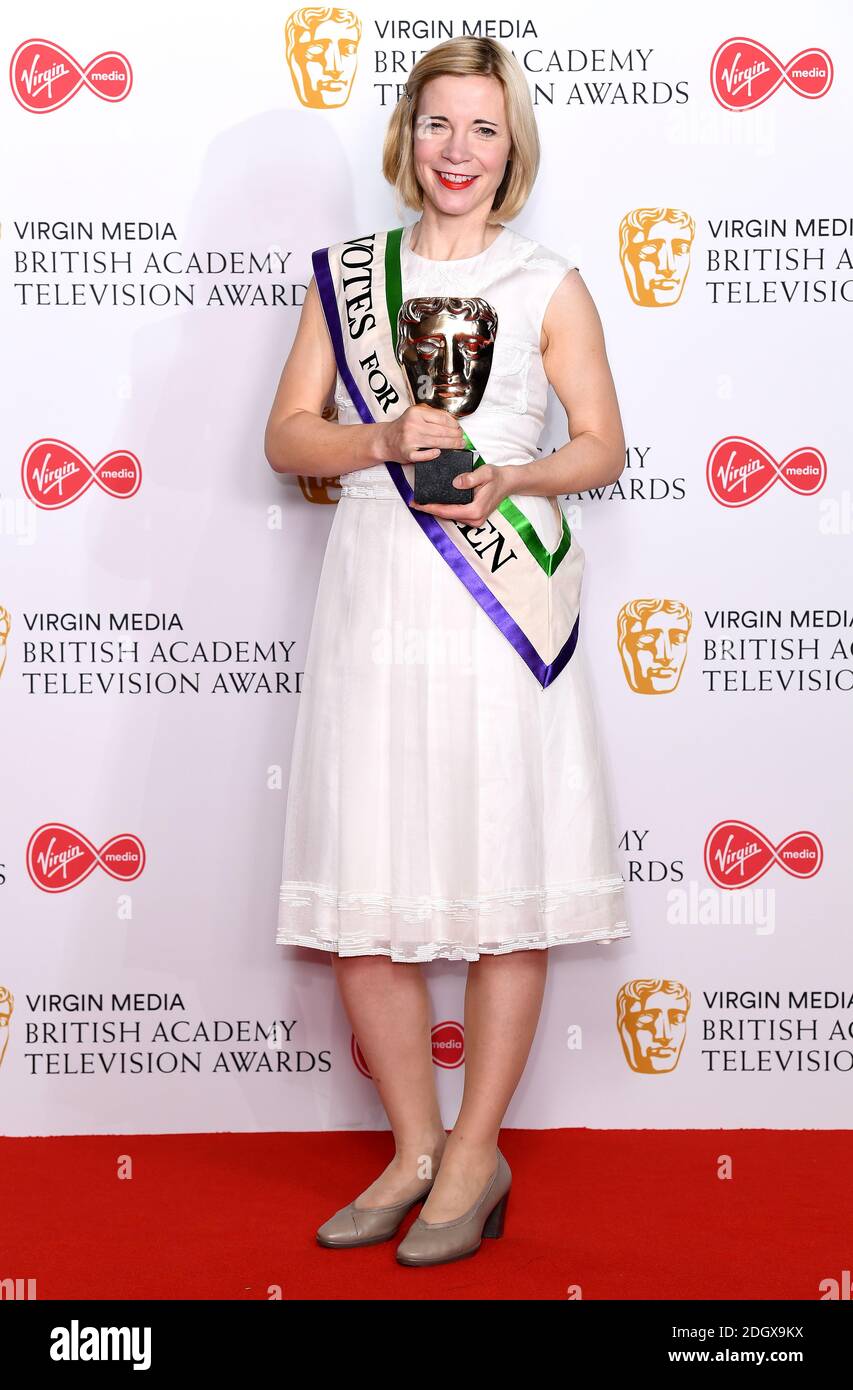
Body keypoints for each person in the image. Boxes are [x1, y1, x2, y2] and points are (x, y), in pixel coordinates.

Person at [265, 35, 630, 1268]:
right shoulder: (347, 278)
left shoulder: (548, 283)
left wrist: (512, 475)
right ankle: (414, 1148)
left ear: (511, 145)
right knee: (363, 885)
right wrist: (375, 442)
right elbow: (286, 438)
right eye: (437, 125)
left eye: (481, 128)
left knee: (499, 883)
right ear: (406, 137)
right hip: (374, 600)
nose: (457, 151)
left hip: (494, 612)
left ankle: (476, 1155)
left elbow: (603, 448)